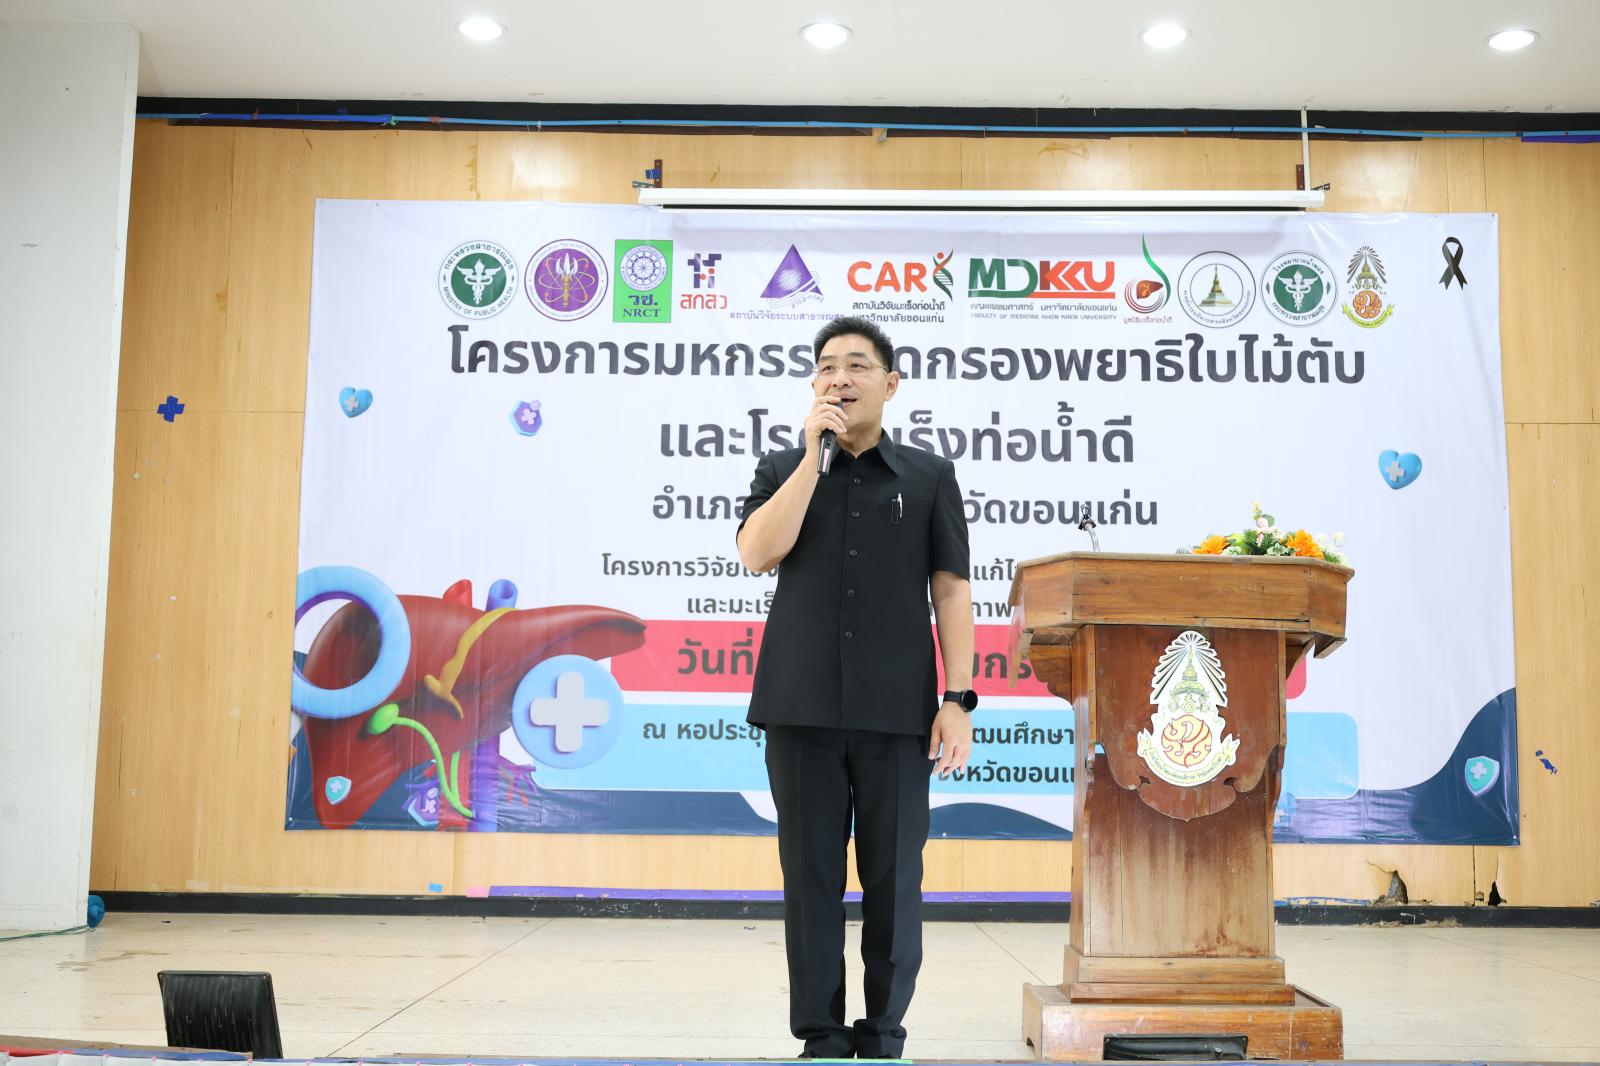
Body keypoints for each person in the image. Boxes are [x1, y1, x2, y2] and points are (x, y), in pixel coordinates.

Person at [736, 315, 977, 1059]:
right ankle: (822, 1034)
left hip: (897, 712)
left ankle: (883, 1033)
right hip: (799, 708)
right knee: (809, 879)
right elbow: (757, 553)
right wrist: (812, 459)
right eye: (827, 367)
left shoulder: (929, 477)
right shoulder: (783, 468)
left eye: (858, 365)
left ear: (891, 384)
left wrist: (957, 699)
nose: (840, 378)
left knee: (893, 880)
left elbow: (952, 590)